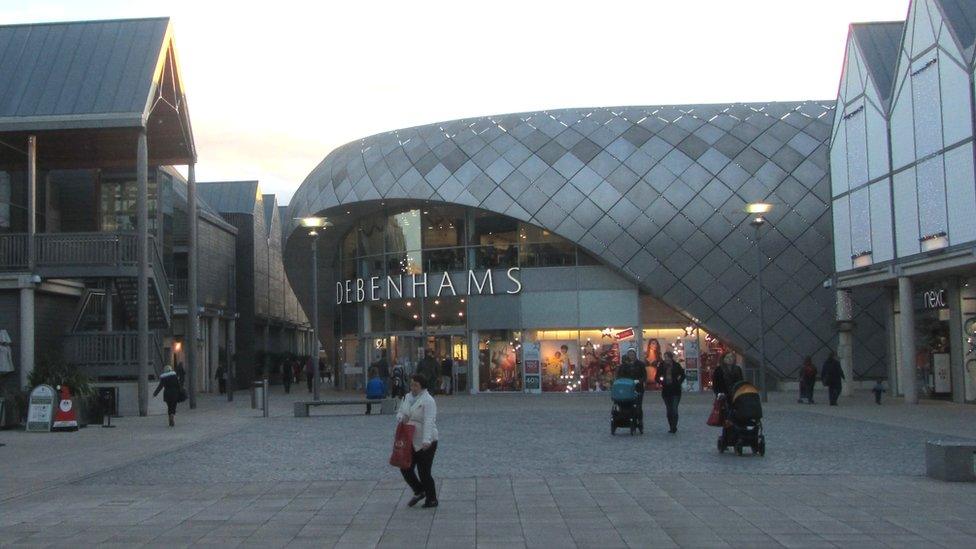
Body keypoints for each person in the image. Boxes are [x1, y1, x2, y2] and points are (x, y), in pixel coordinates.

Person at [396, 374, 439, 509]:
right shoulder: (408, 397)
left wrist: (427, 440)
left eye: (416, 385)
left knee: (424, 472)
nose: (413, 387)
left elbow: (429, 421)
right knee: (405, 467)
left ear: (422, 386)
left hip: (427, 441)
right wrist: (401, 417)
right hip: (410, 440)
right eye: (412, 384)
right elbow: (400, 412)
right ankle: (419, 490)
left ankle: (432, 499)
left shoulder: (428, 400)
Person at [655, 351, 686, 433]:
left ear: (671, 357)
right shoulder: (661, 366)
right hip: (666, 390)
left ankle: (674, 426)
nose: (666, 359)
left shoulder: (676, 365)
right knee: (669, 410)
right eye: (665, 357)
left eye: (667, 357)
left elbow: (683, 375)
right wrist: (661, 382)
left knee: (674, 409)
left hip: (675, 390)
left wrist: (678, 382)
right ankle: (671, 425)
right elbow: (657, 377)